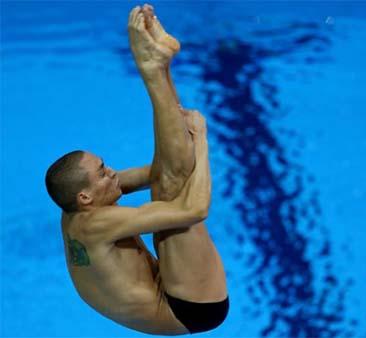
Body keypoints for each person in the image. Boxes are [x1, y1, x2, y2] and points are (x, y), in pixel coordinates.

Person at [44, 4, 228, 335]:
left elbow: (161, 170)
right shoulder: (96, 222)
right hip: (188, 308)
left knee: (168, 181)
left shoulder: (76, 202)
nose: (113, 172)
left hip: (170, 287)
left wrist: (184, 131)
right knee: (172, 193)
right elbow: (196, 208)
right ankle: (152, 69)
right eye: (102, 171)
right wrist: (202, 142)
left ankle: (160, 67)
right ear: (85, 196)